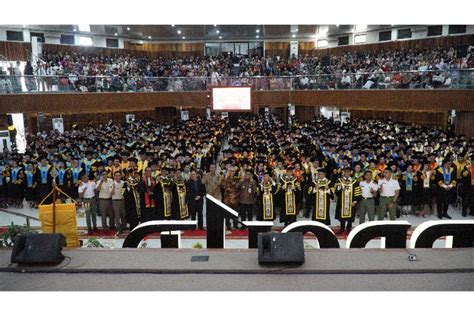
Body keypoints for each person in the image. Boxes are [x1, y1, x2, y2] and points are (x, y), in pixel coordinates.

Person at [334, 167, 362, 233]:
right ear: (343, 172)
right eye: (345, 171)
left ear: (351, 173)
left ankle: (349, 229)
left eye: (348, 172)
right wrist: (339, 187)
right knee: (342, 216)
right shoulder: (339, 181)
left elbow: (357, 192)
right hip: (342, 202)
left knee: (350, 216)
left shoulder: (354, 182)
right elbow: (336, 193)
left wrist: (355, 201)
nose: (347, 173)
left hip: (351, 202)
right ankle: (342, 228)